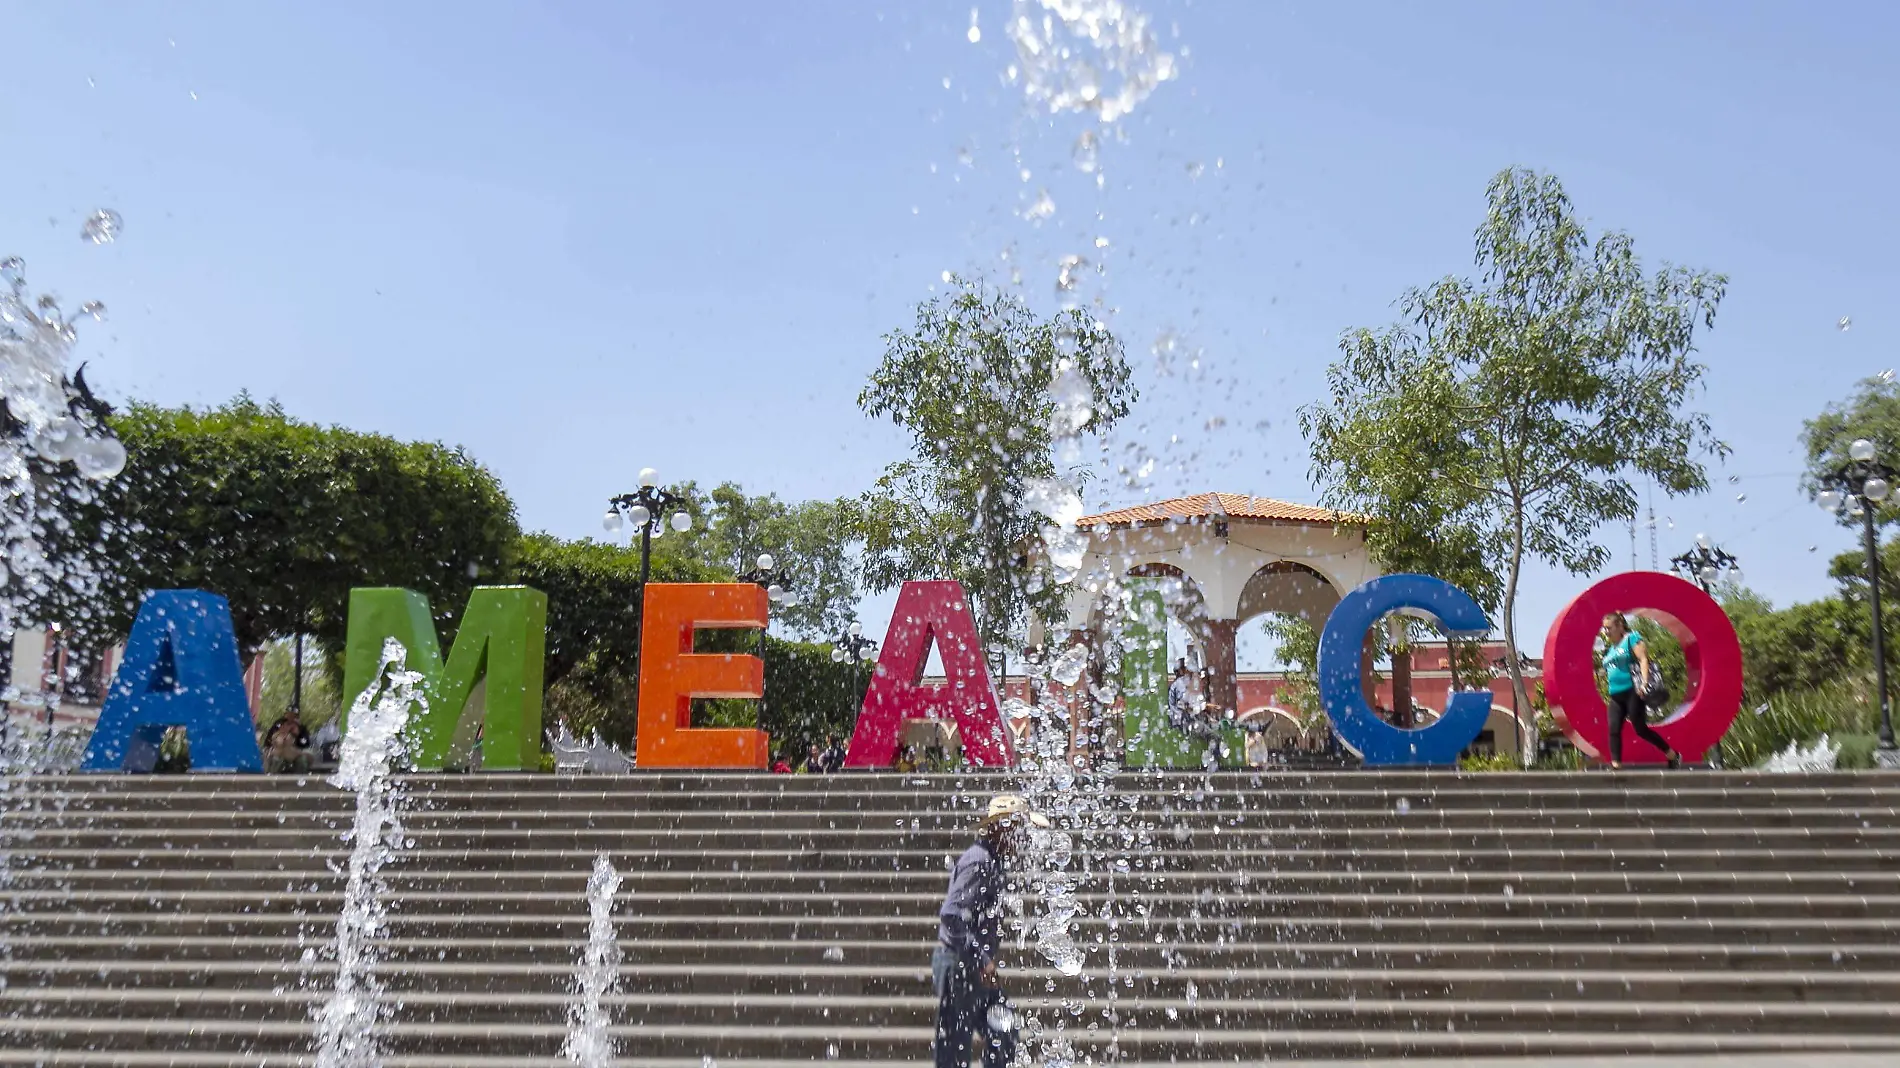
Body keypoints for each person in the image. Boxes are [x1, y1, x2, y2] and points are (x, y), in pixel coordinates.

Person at [934, 794, 1048, 1068]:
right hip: (960, 963)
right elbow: (951, 916)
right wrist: (982, 959)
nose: (1023, 838)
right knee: (956, 1046)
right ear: (1001, 828)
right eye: (1019, 829)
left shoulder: (992, 860)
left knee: (1003, 1031)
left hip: (971, 964)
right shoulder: (979, 862)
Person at [1600, 613, 1682, 770]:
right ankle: (1616, 765)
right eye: (1604, 629)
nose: (1606, 632)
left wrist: (1644, 683)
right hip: (1615, 695)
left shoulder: (1631, 639)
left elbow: (1643, 659)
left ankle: (1672, 755)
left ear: (1619, 626)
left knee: (1641, 730)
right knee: (1613, 728)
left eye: (1609, 628)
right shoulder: (1610, 649)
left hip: (1633, 691)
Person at [262, 710, 311, 774]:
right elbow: (270, 740)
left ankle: (300, 780)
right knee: (276, 758)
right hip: (278, 752)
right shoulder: (278, 725)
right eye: (289, 714)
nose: (291, 718)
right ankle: (271, 778)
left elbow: (305, 744)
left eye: (294, 715)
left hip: (294, 752)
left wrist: (298, 735)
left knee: (302, 760)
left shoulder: (301, 728)